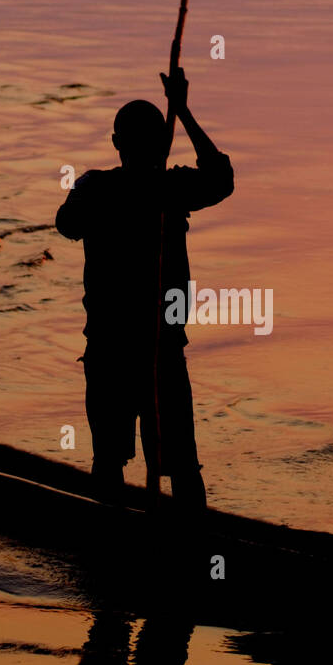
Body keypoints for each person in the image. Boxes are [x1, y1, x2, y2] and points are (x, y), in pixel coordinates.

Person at [56, 68, 233, 511]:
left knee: (162, 463)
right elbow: (68, 223)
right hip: (121, 349)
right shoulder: (112, 187)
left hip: (157, 349)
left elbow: (220, 180)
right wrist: (183, 114)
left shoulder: (168, 188)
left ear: (119, 143)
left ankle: (173, 547)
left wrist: (182, 112)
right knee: (134, 463)